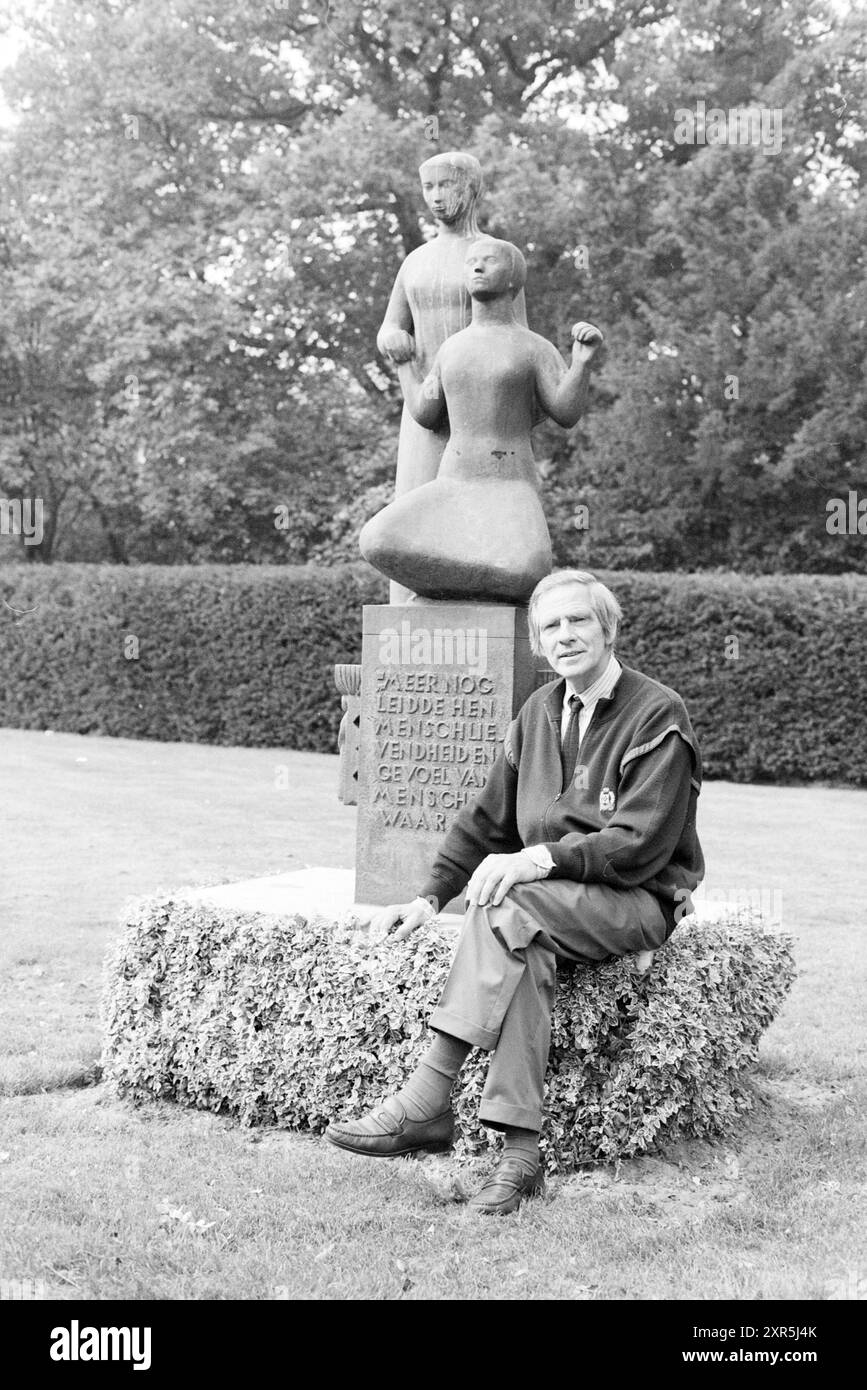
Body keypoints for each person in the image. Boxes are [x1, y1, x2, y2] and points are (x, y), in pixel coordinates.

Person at [326, 569, 705, 1214]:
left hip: (637, 899)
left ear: (607, 628)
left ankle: (428, 1093)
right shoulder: (537, 712)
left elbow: (640, 842)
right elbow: (486, 819)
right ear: (537, 643)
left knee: (510, 899)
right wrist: (427, 897)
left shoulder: (657, 711)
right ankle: (520, 1154)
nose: (566, 636)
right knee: (520, 937)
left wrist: (539, 858)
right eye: (551, 626)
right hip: (548, 910)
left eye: (579, 620)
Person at [360, 237, 603, 603]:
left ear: (512, 278)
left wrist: (582, 363)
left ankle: (458, 592)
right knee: (378, 540)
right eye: (472, 261)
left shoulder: (532, 347)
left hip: (510, 484)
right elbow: (425, 413)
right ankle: (459, 596)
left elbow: (565, 412)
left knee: (527, 569)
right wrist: (404, 365)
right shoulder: (452, 348)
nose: (476, 267)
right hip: (454, 481)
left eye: (488, 260)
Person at [376, 152, 528, 603]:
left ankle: (484, 609)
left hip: (481, 411)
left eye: (447, 185)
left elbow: (516, 334)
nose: (437, 197)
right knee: (413, 507)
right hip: (421, 406)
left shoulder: (494, 257)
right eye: (429, 188)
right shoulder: (415, 261)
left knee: (485, 508)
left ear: (472, 188)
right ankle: (407, 623)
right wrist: (392, 339)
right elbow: (391, 324)